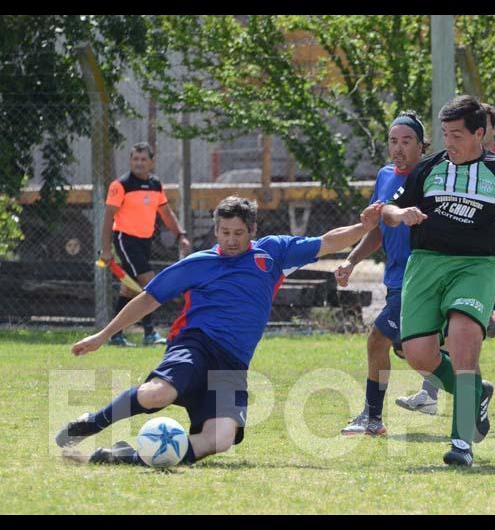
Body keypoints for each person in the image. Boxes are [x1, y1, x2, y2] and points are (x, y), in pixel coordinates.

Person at [56, 196, 383, 466]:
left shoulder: (272, 254)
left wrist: (363, 227)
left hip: (232, 363)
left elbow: (326, 242)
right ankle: (92, 422)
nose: (230, 240)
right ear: (216, 230)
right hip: (195, 344)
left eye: (238, 233)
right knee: (158, 394)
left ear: (252, 230)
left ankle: (126, 458)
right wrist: (103, 335)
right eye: (224, 232)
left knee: (220, 439)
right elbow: (147, 299)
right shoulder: (199, 263)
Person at [382, 95, 495, 467]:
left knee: (463, 341)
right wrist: (402, 213)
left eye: (457, 135)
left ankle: (461, 443)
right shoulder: (427, 170)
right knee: (419, 355)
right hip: (425, 265)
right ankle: (477, 393)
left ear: (480, 134)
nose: (450, 143)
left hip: (475, 267)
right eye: (445, 134)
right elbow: (390, 208)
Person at [336, 112, 428, 437]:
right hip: (395, 281)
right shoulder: (385, 175)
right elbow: (377, 230)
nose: (398, 148)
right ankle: (473, 391)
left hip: (419, 281)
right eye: (393, 141)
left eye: (406, 141)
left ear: (421, 146)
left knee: (378, 339)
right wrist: (351, 261)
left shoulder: (429, 179)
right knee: (414, 353)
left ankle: (372, 418)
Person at [101, 142, 192, 347]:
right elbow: (108, 218)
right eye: (135, 159)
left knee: (129, 290)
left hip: (144, 242)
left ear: (152, 162)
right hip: (125, 240)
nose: (139, 163)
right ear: (130, 160)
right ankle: (149, 333)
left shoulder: (155, 184)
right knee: (150, 283)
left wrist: (180, 235)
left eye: (143, 159)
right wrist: (106, 250)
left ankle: (115, 336)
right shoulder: (120, 185)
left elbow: (166, 213)